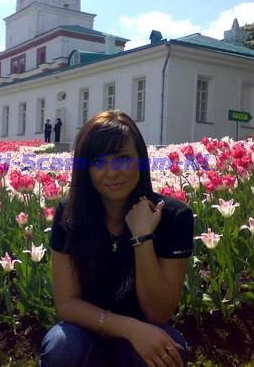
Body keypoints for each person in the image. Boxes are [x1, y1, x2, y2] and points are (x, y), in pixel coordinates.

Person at [40, 110, 194, 366]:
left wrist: (142, 237)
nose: (112, 172)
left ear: (140, 160)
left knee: (167, 349)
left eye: (123, 159)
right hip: (87, 330)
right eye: (99, 162)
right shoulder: (70, 215)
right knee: (63, 346)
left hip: (144, 336)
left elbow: (158, 313)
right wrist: (129, 328)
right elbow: (67, 304)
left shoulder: (174, 217)